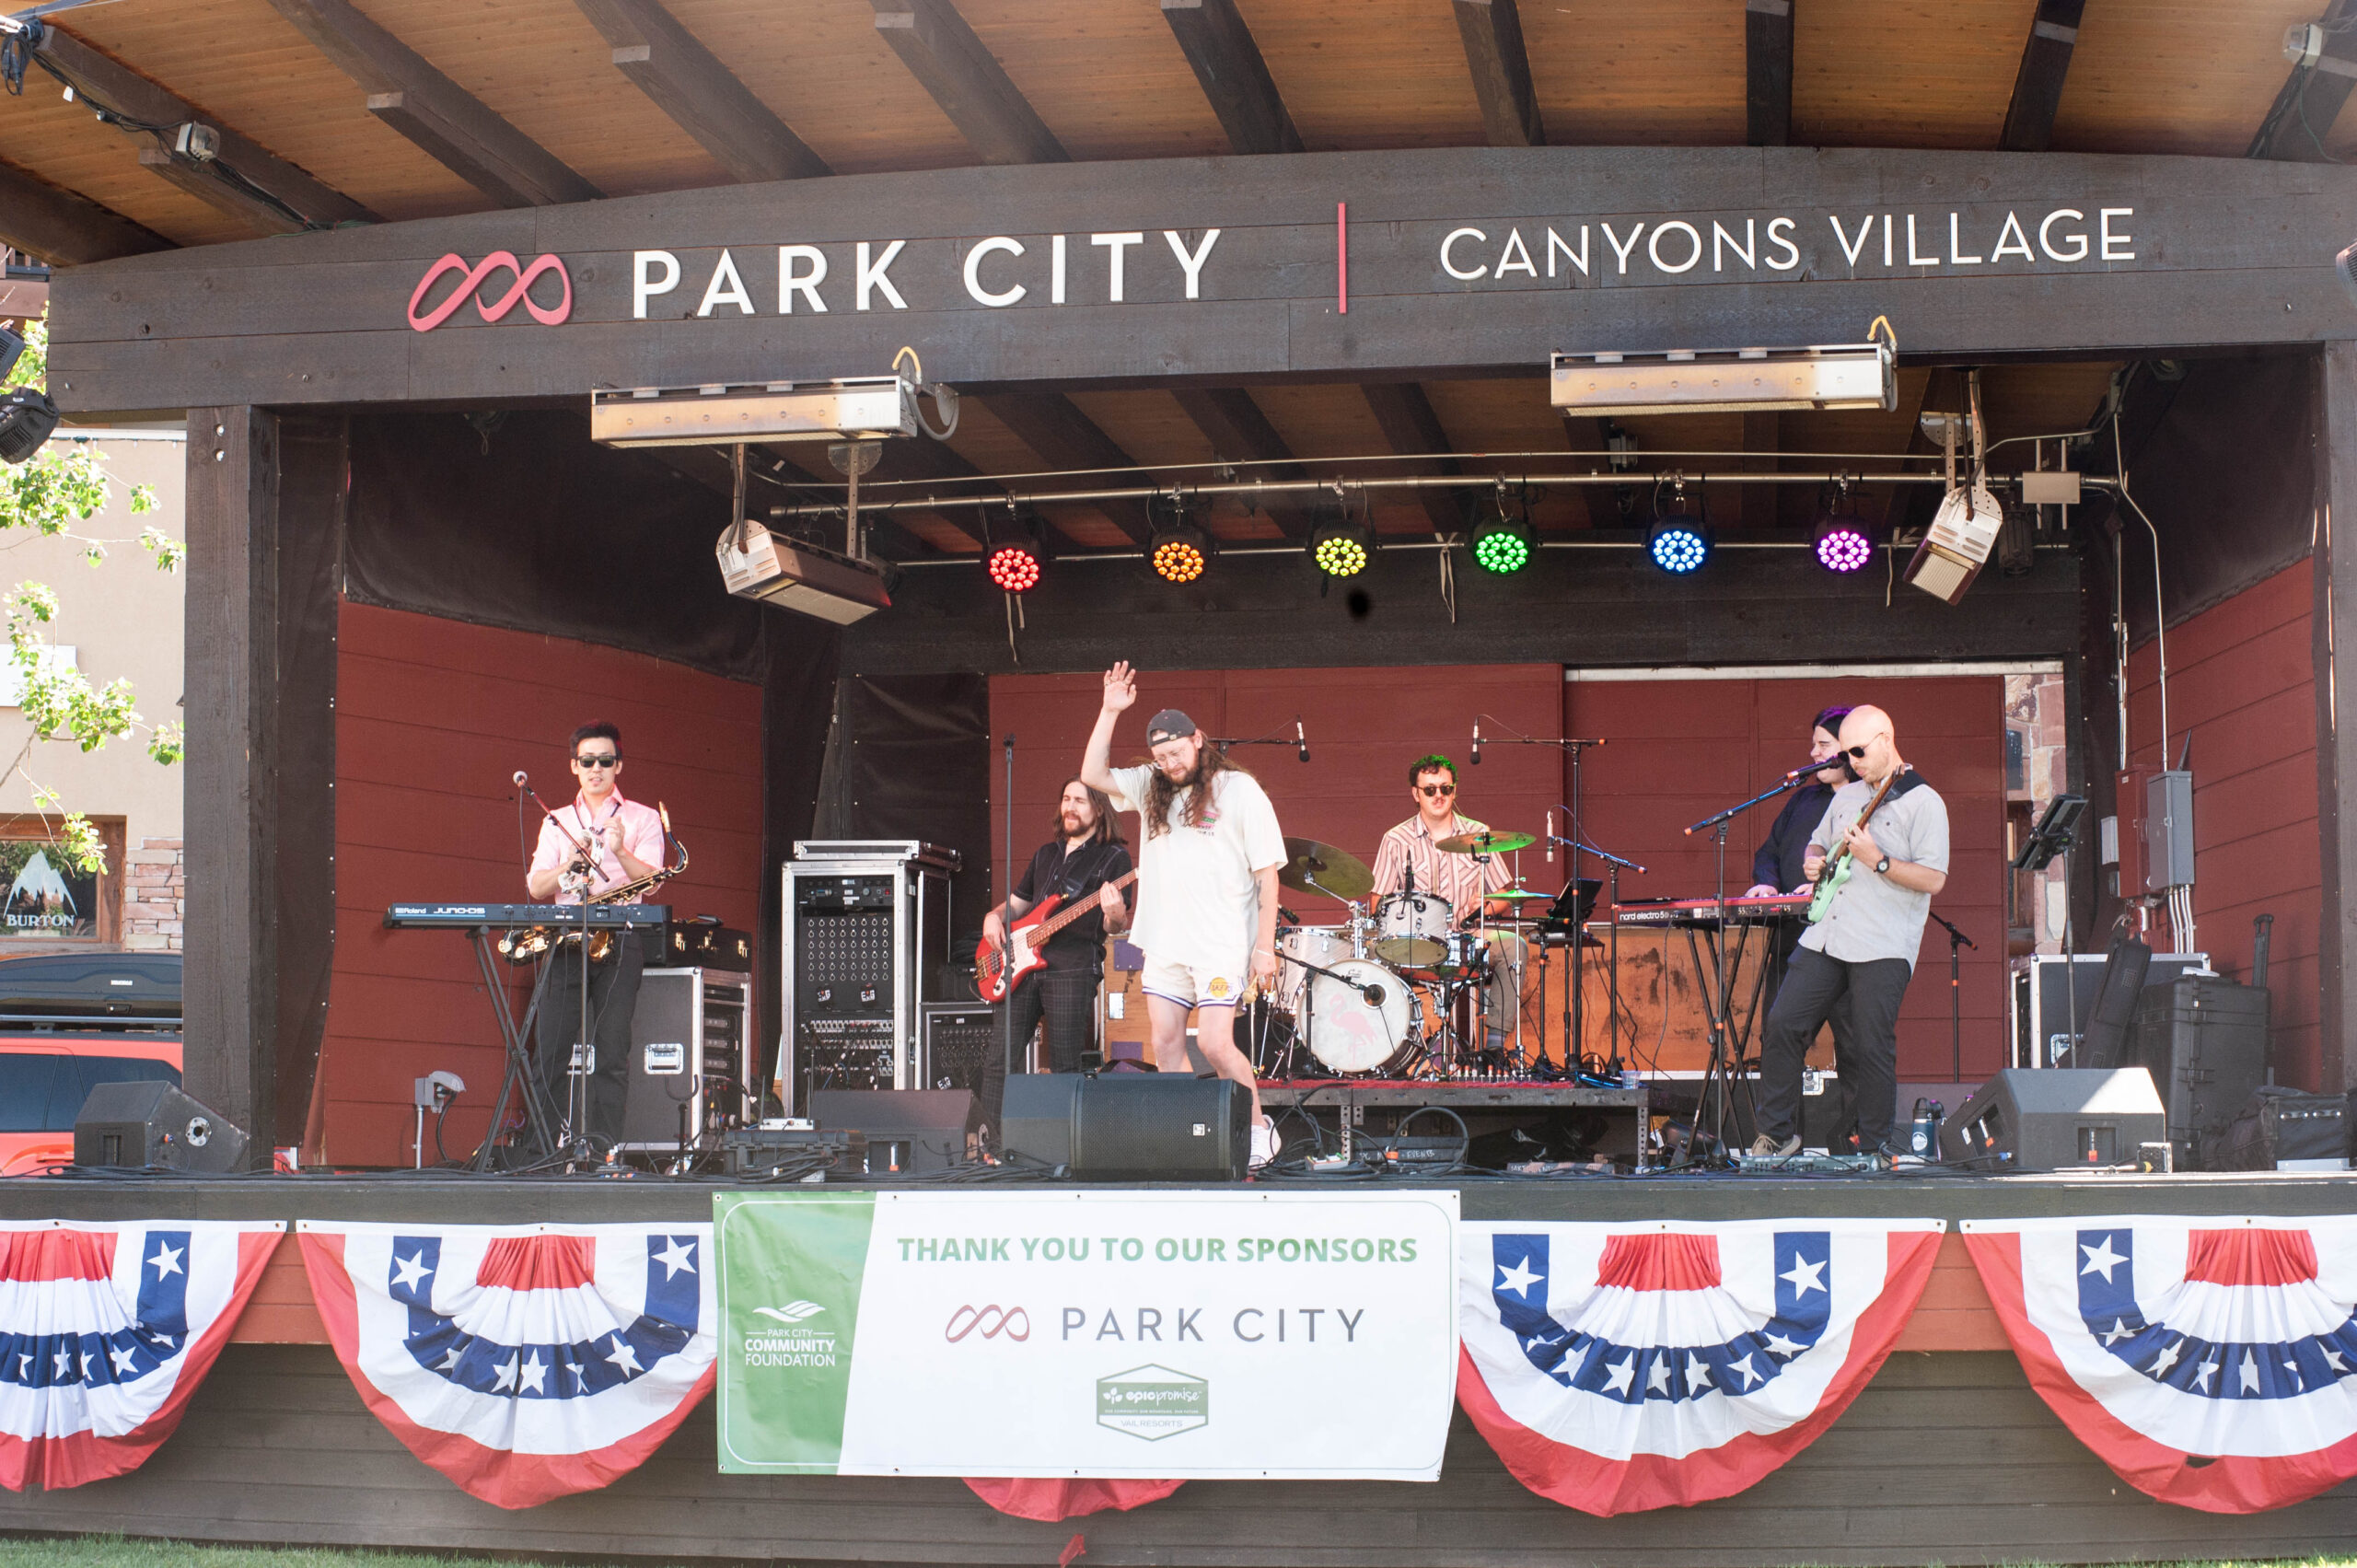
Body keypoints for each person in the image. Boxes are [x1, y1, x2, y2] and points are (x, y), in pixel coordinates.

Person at [1082, 663, 1286, 1164]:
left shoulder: (1239, 791)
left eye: (1176, 751)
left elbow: (1268, 875)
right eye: (1161, 756)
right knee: (1166, 1044)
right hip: (1166, 941)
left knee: (1216, 1044)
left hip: (1220, 943)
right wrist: (1110, 710)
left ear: (1199, 740)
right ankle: (1186, 1133)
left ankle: (1259, 1128)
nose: (1170, 763)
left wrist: (1264, 947)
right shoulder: (1151, 786)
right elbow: (1092, 775)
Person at [1751, 704, 1949, 1160]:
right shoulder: (1845, 796)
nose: (1852, 761)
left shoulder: (1924, 802)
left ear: (1885, 740)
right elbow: (1819, 838)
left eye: (1858, 751)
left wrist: (1878, 860)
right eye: (1847, 753)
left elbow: (1934, 879)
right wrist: (1813, 857)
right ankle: (1777, 1135)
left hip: (1883, 941)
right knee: (1782, 1025)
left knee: (1869, 1044)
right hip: (1827, 933)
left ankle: (1875, 1147)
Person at [526, 721, 667, 1152]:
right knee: (549, 1051)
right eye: (587, 761)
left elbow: (656, 882)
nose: (596, 768)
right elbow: (535, 886)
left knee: (611, 1052)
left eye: (605, 760)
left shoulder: (642, 817)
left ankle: (605, 1151)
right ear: (574, 766)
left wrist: (622, 851)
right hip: (568, 936)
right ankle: (540, 1153)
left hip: (621, 935)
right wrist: (568, 865)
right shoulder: (557, 821)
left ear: (618, 765)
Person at [975, 779, 1132, 1144]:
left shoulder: (1114, 858)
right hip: (1021, 966)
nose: (1070, 807)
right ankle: (990, 1146)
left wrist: (1114, 914)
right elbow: (1018, 905)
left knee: (1064, 1065)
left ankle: (1063, 1150)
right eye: (1065, 799)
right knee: (999, 1060)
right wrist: (992, 917)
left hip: (1072, 968)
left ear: (1098, 808)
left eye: (1079, 800)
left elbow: (1114, 924)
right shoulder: (1047, 853)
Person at [1745, 707, 1864, 1146]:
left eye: (1822, 745)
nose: (1813, 754)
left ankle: (1857, 1141)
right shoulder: (1803, 800)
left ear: (1847, 751)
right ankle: (1778, 1139)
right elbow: (1769, 851)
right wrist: (1767, 884)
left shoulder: (1870, 798)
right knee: (1780, 1033)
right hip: (1793, 938)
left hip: (1849, 943)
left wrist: (1819, 883)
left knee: (1855, 1045)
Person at [1368, 753, 1522, 1048]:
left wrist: (1485, 907)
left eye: (1445, 788)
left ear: (1455, 790)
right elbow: (1377, 903)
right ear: (1416, 793)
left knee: (1516, 946)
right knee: (1377, 954)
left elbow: (1505, 896)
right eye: (1430, 790)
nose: (1438, 795)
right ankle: (1393, 1049)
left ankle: (1494, 1046)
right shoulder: (1396, 839)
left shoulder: (1480, 834)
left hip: (1468, 936)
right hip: (1416, 941)